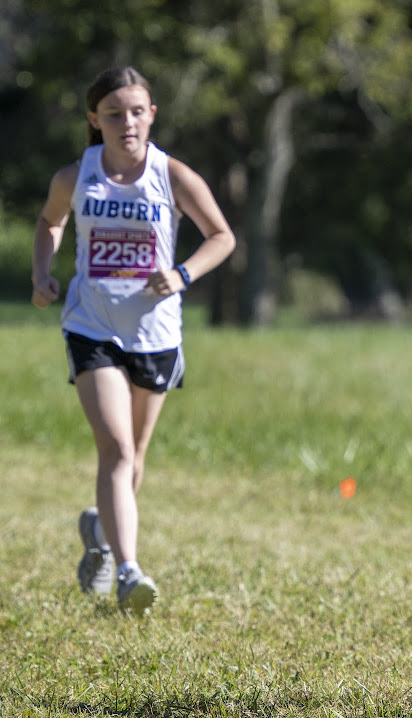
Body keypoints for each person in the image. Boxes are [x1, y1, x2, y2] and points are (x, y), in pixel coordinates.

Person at [31, 66, 236, 616]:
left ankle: (100, 532)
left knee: (134, 458)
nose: (127, 122)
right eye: (114, 113)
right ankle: (128, 571)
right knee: (117, 450)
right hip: (92, 326)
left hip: (155, 332)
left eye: (137, 111)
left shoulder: (172, 175)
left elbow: (222, 236)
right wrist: (42, 274)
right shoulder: (76, 177)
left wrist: (183, 274)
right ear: (94, 119)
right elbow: (50, 223)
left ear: (152, 115)